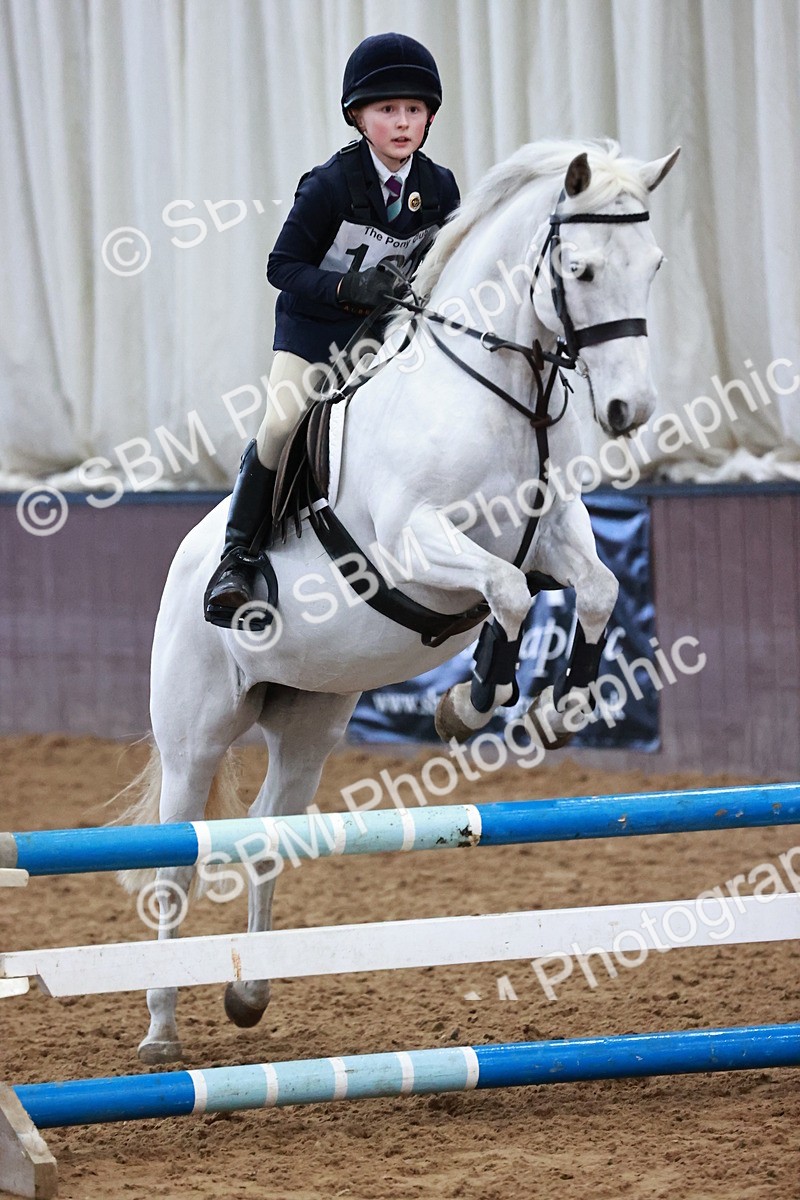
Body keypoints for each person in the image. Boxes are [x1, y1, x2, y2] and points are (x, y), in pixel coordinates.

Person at [204, 31, 460, 627]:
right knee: (280, 422)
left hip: (388, 335)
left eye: (414, 110)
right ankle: (237, 557)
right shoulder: (329, 184)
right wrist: (349, 288)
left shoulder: (440, 187)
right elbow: (280, 267)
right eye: (387, 110)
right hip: (315, 333)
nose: (403, 123)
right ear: (358, 117)